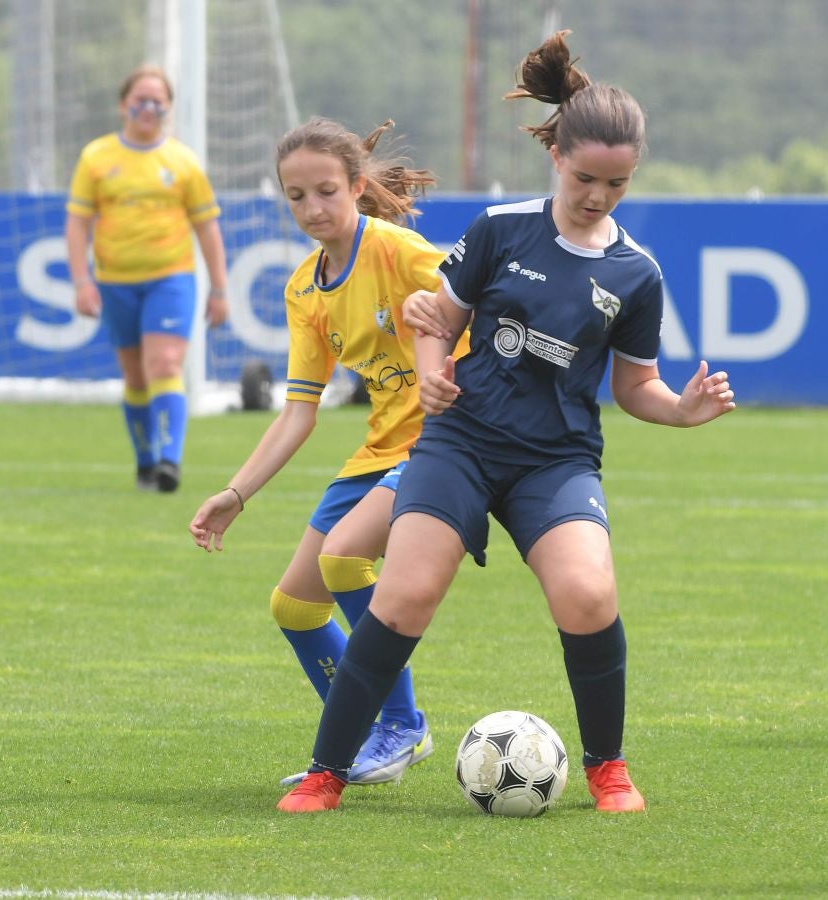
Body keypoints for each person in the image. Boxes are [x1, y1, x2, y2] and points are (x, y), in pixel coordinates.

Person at [277, 30, 736, 815]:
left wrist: (682, 412)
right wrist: (429, 375)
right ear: (555, 155)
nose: (597, 196)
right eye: (586, 176)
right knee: (404, 595)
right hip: (461, 444)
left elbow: (636, 388)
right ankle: (327, 771)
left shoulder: (636, 273)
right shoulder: (499, 228)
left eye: (617, 184)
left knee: (588, 596)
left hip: (554, 463)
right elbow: (433, 318)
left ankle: (608, 770)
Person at [189, 116, 467, 784]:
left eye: (324, 192)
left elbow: (476, 300)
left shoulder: (398, 251)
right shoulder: (304, 290)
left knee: (344, 557)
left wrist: (450, 370)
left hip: (444, 443)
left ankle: (401, 728)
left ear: (355, 187)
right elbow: (297, 413)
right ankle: (372, 731)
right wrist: (235, 493)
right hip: (377, 453)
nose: (311, 208)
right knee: (293, 606)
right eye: (295, 196)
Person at [65, 64, 229, 494]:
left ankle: (169, 462)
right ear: (124, 105)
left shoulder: (183, 162)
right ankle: (144, 461)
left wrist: (219, 288)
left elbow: (207, 228)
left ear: (169, 109)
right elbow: (78, 222)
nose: (149, 107)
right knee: (136, 376)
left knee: (166, 365)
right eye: (140, 99)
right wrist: (82, 281)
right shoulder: (96, 158)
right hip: (115, 282)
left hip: (170, 279)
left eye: (159, 101)